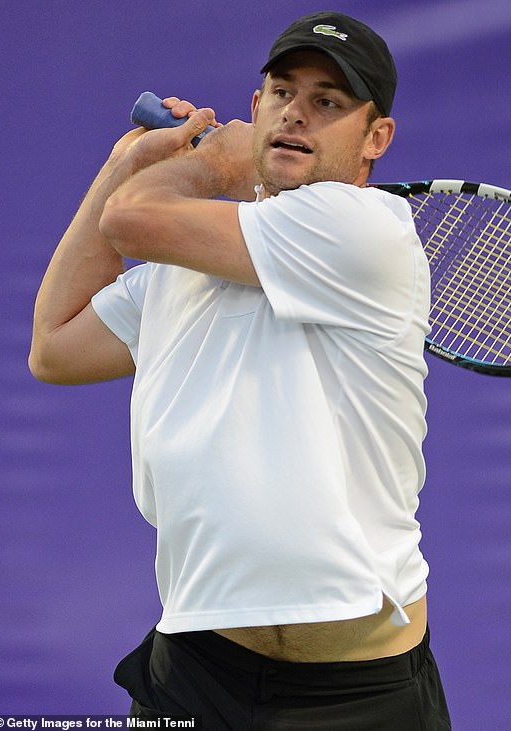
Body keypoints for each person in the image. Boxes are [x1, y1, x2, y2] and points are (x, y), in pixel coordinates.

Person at [29, 10, 451, 730]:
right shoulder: (179, 269)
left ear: (374, 138)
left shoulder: (369, 229)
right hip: (195, 671)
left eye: (328, 103)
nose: (296, 115)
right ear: (256, 110)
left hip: (359, 694)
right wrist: (124, 163)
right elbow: (56, 345)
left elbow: (131, 222)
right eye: (282, 94)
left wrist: (209, 163)